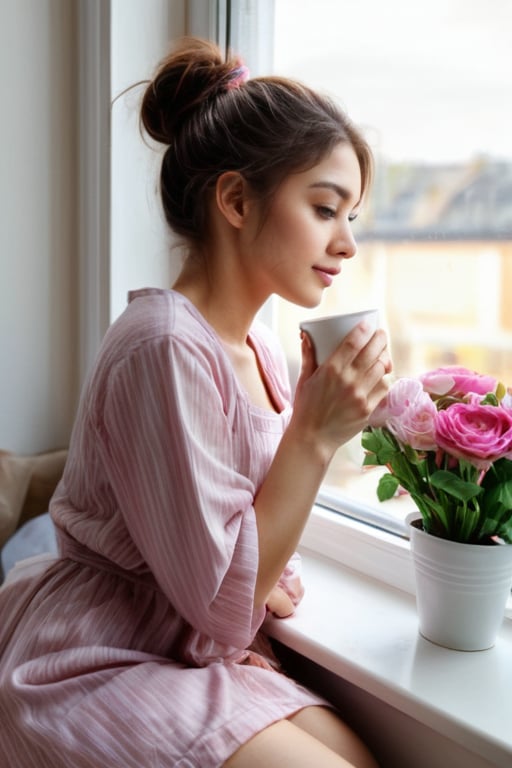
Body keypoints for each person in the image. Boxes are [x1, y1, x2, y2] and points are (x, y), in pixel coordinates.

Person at [0, 37, 391, 768]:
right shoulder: (164, 346)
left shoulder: (266, 353)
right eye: (325, 209)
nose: (347, 245)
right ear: (237, 201)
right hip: (100, 655)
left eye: (353, 218)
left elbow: (243, 552)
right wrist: (314, 434)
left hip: (191, 646)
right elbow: (221, 601)